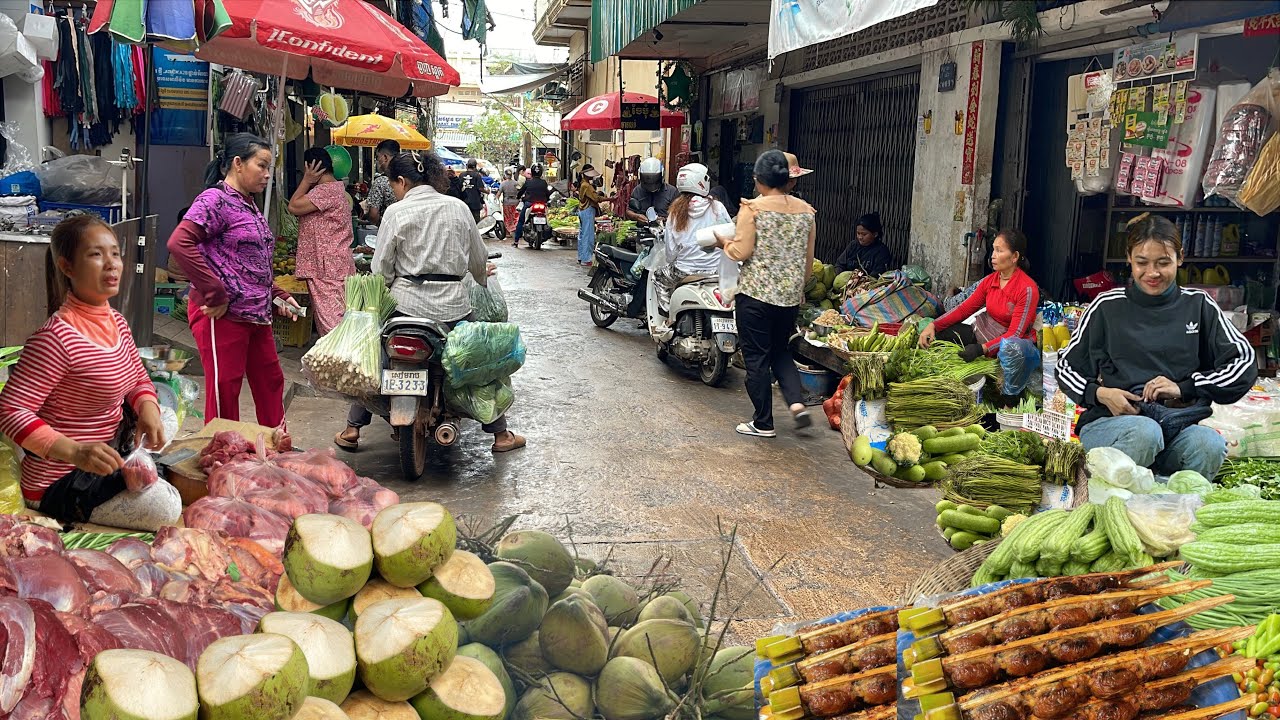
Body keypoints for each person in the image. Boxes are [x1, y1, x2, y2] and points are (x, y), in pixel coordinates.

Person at [335, 150, 526, 454]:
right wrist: (478, 273)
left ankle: (352, 428)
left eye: (394, 185)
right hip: (453, 307)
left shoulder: (396, 212)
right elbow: (478, 261)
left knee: (372, 358)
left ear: (402, 181)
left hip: (404, 308)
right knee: (478, 359)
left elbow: (380, 270)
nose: (395, 191)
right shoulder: (458, 208)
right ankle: (500, 434)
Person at [0, 216, 181, 530]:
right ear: (67, 267)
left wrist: (147, 408)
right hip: (62, 479)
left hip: (109, 449)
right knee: (168, 507)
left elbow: (137, 377)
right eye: (96, 255)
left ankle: (130, 462)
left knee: (166, 415)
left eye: (115, 253)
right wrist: (76, 451)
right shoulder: (56, 338)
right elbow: (11, 410)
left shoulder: (117, 322)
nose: (111, 264)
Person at [1057, 214, 1255, 479]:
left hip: (1177, 428)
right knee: (1145, 433)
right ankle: (1110, 502)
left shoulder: (1199, 306)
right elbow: (1066, 366)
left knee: (1208, 444)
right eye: (1141, 262)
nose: (1152, 273)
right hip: (1114, 426)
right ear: (1129, 258)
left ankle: (1175, 511)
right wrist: (1100, 393)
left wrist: (1185, 387)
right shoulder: (1107, 306)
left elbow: (1244, 361)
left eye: (1163, 263)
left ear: (1180, 258)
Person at [168, 133, 303, 428]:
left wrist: (276, 293)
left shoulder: (249, 205)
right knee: (224, 391)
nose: (268, 174)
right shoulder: (215, 200)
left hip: (257, 314)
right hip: (221, 316)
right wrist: (215, 293)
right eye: (262, 165)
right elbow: (180, 243)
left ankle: (276, 451)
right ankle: (224, 461)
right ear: (238, 164)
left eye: (270, 167)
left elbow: (250, 262)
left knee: (270, 380)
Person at [714, 150, 816, 438]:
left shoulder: (753, 209)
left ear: (759, 180)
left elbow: (740, 251)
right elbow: (808, 264)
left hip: (755, 296)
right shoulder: (806, 212)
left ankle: (763, 422)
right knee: (780, 351)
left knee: (757, 357)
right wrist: (796, 288)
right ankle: (796, 404)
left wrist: (723, 242)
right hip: (788, 299)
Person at [919, 229, 1040, 405]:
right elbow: (963, 310)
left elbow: (1015, 334)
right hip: (983, 333)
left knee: (1011, 349)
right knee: (940, 337)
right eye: (993, 250)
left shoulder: (1027, 289)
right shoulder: (990, 281)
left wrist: (981, 349)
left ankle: (1009, 400)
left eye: (999, 250)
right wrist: (934, 326)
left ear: (1014, 257)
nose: (993, 255)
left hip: (1010, 347)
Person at [288, 146, 356, 335]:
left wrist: (306, 180)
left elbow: (293, 206)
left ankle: (338, 360)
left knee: (332, 323)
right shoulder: (335, 189)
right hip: (332, 265)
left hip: (327, 267)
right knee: (337, 317)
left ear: (311, 168)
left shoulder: (325, 191)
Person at [836, 211, 895, 277]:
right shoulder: (853, 245)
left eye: (864, 234)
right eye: (858, 233)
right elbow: (840, 264)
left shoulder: (882, 252)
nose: (860, 237)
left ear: (875, 234)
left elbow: (876, 274)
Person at [576, 164, 612, 267]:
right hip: (587, 211)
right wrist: (610, 199)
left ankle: (581, 257)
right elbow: (596, 198)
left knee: (582, 235)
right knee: (588, 236)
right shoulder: (587, 186)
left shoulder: (583, 184)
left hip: (582, 211)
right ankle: (586, 259)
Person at [626, 157, 680, 223]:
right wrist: (636, 216)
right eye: (647, 182)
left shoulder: (672, 192)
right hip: (643, 229)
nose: (651, 186)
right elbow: (629, 211)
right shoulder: (638, 190)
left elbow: (679, 215)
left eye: (654, 182)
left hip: (665, 231)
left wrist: (665, 220)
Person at [363, 139, 400, 225]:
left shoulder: (381, 181)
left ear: (385, 157)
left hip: (389, 230)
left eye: (377, 157)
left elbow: (373, 214)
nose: (377, 161)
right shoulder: (408, 178)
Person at [515, 164, 551, 248]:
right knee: (548, 220)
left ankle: (516, 241)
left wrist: (518, 197)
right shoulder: (544, 183)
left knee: (521, 221)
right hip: (542, 204)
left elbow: (521, 192)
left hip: (529, 203)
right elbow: (547, 194)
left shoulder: (528, 182)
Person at [459, 158, 489, 223]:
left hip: (464, 202)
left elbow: (459, 187)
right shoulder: (477, 175)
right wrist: (487, 191)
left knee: (465, 221)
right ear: (475, 166)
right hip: (475, 203)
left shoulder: (461, 175)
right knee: (476, 222)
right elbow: (480, 188)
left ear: (467, 166)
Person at [500, 169, 520, 238]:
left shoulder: (503, 183)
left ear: (505, 175)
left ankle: (508, 232)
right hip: (515, 202)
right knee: (514, 216)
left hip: (507, 202)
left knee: (507, 217)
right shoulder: (516, 183)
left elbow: (499, 193)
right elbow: (519, 192)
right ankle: (515, 229)